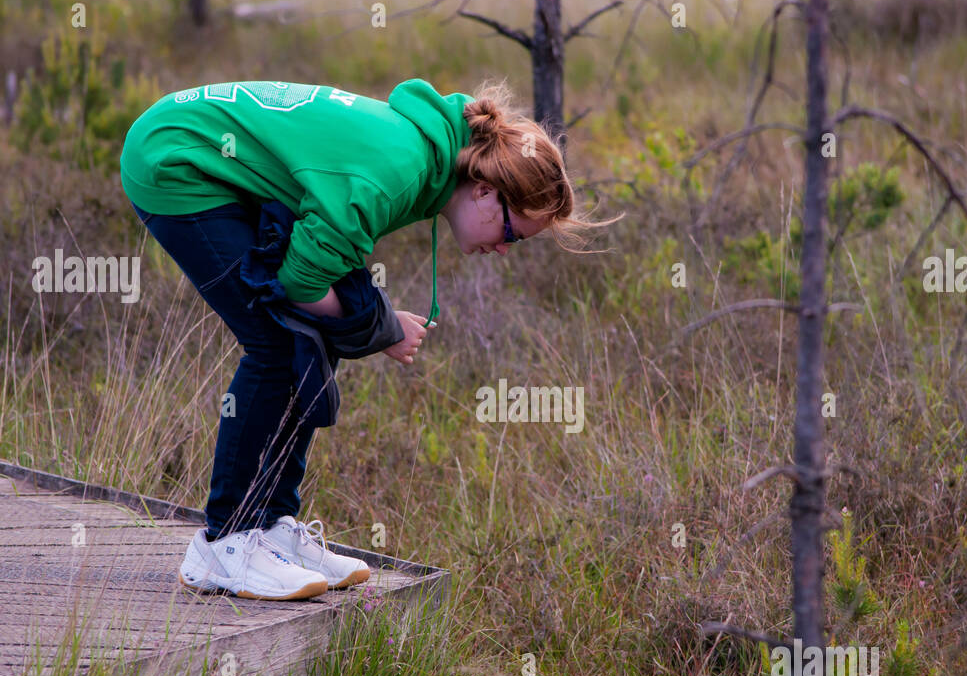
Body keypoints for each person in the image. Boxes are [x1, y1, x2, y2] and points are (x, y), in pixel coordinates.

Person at [119, 77, 618, 600]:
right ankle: (226, 542)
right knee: (274, 340)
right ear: (487, 191)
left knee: (304, 335)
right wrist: (382, 328)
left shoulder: (423, 164)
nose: (505, 249)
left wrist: (366, 318)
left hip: (208, 153)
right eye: (512, 233)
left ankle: (269, 524)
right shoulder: (398, 172)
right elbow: (298, 284)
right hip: (175, 159)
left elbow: (318, 271)